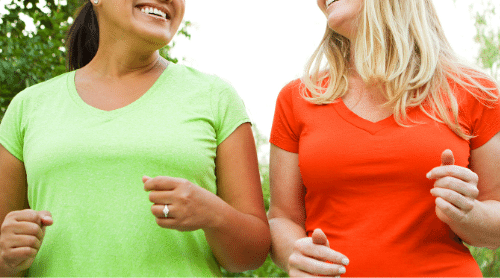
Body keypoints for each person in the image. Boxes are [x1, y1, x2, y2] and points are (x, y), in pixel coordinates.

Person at [0, 0, 270, 276]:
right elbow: (5, 259)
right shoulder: (27, 107)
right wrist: (7, 258)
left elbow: (252, 256)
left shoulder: (217, 97)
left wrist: (214, 215)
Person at [268, 0, 500, 277]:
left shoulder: (473, 90)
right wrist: (299, 255)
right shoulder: (297, 98)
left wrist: (469, 214)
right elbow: (282, 218)